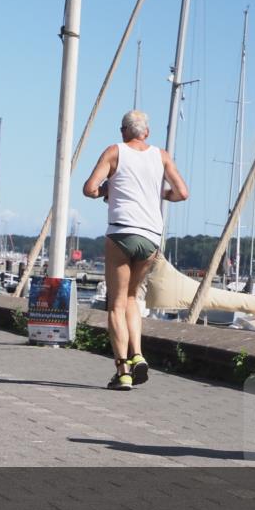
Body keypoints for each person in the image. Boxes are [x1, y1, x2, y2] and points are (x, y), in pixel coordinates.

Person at [82, 109, 188, 391]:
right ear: (147, 133)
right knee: (131, 299)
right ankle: (138, 354)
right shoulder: (161, 155)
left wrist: (107, 190)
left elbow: (89, 188)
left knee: (115, 305)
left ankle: (123, 372)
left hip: (122, 232)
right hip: (151, 238)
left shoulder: (114, 152)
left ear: (123, 131)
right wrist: (160, 193)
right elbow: (182, 193)